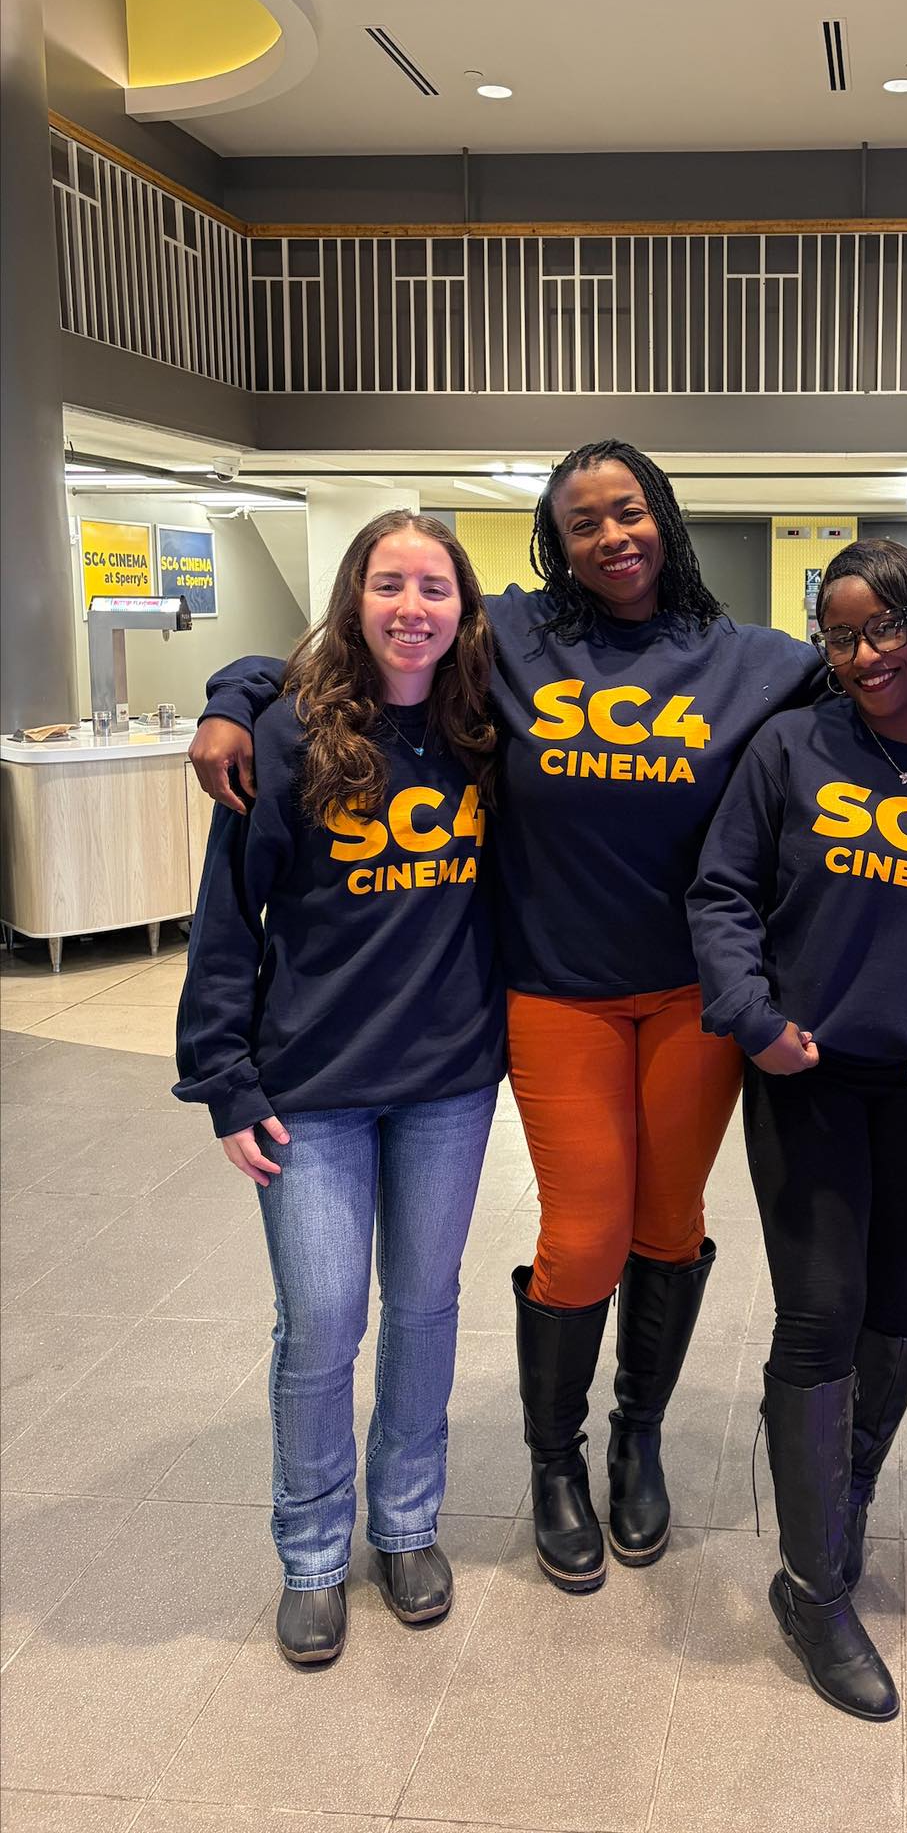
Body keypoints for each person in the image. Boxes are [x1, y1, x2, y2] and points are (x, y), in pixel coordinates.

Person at [187, 445, 907, 1597]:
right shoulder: (511, 639)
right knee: (584, 1231)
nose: (610, 535)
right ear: (552, 543)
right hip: (553, 989)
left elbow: (898, 678)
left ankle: (636, 1434)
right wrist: (233, 697)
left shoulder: (755, 661)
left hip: (693, 999)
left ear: (663, 515)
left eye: (629, 511)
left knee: (669, 1220)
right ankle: (553, 1457)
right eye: (580, 522)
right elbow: (352, 646)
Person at [688, 540, 907, 1722]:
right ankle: (814, 1582)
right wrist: (752, 1017)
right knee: (821, 1312)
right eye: (839, 636)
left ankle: (835, 1503)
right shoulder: (789, 748)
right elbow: (723, 893)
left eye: (885, 629)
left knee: (895, 1307)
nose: (864, 656)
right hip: (807, 1076)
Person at [174, 512, 504, 1667]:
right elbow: (229, 921)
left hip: (448, 1082)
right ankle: (312, 1554)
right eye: (389, 582)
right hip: (307, 1088)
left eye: (436, 586)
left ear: (468, 607)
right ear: (354, 596)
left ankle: (405, 1523)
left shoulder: (486, 725)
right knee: (320, 1322)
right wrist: (223, 1075)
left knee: (424, 1306)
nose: (413, 605)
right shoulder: (284, 732)